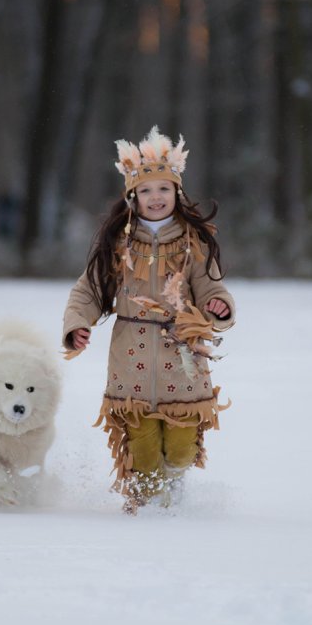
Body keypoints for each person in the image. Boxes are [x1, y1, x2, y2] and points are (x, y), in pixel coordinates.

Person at [62, 126, 236, 514]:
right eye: (146, 191)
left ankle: (172, 492)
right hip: (131, 359)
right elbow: (88, 290)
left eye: (164, 189)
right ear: (132, 197)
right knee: (140, 441)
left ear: (177, 193)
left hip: (183, 358)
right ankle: (145, 504)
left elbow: (211, 289)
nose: (155, 198)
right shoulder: (118, 243)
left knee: (180, 440)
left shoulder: (193, 242)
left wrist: (218, 308)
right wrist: (77, 324)